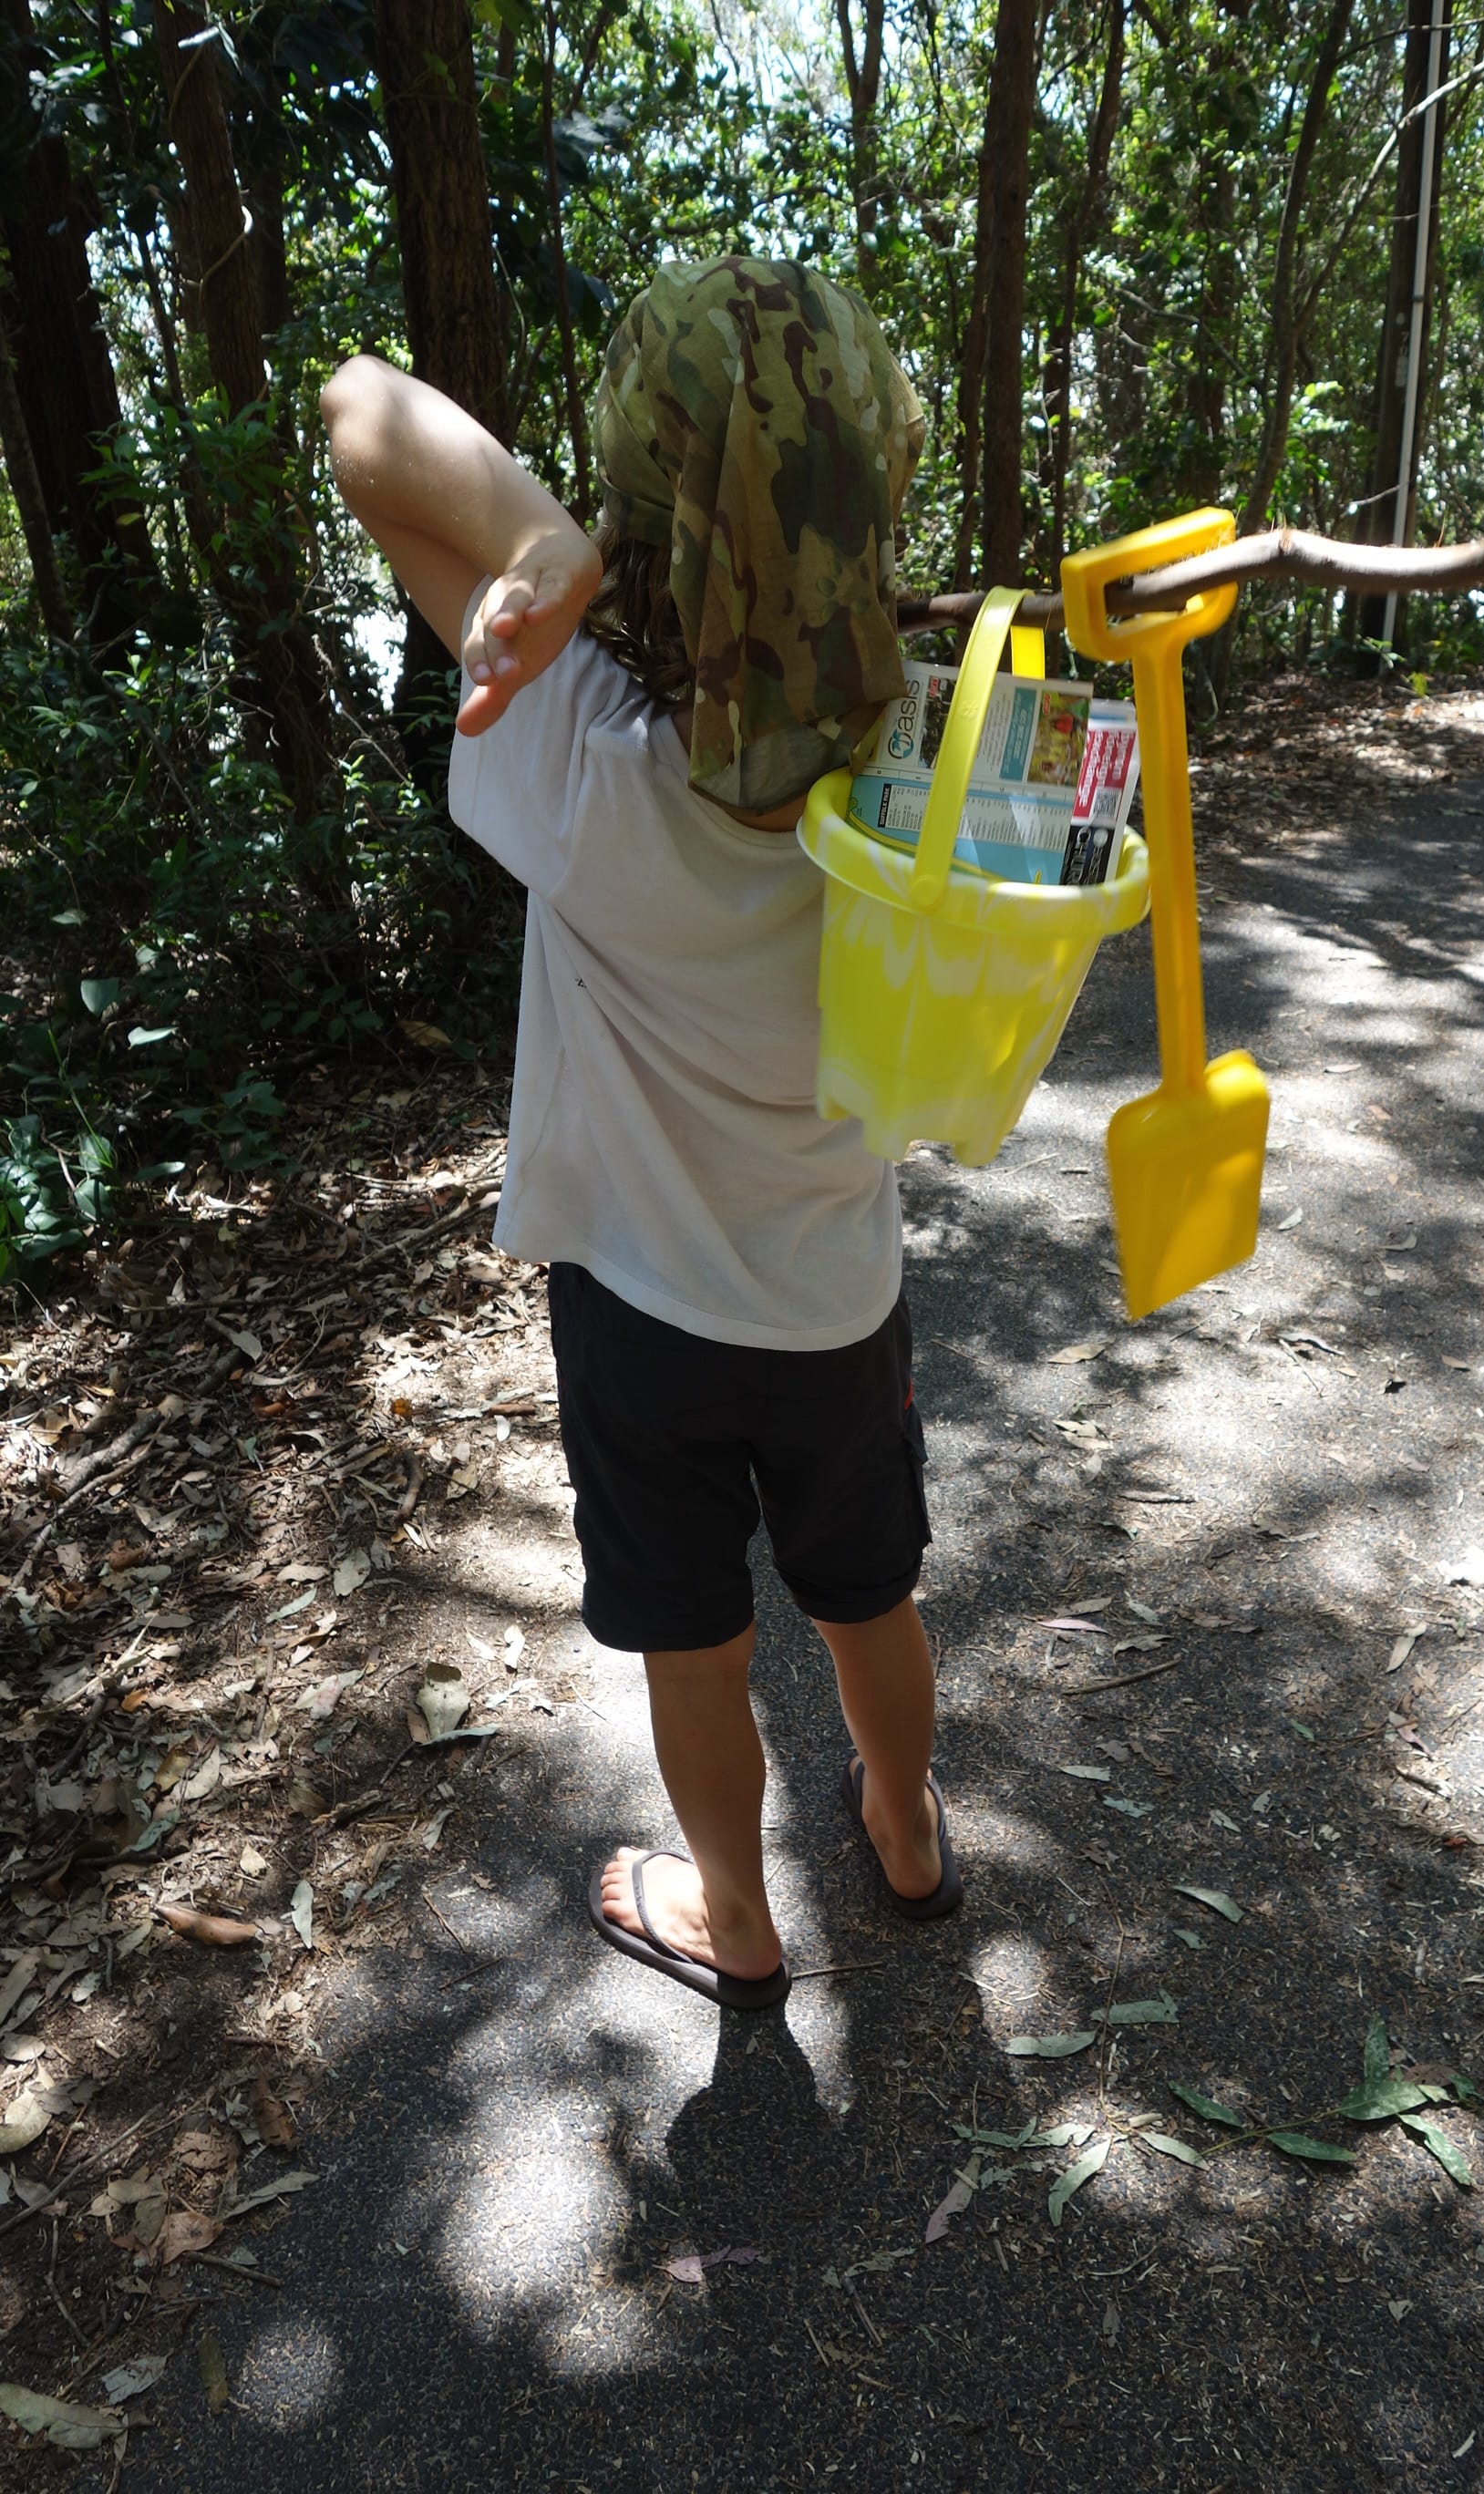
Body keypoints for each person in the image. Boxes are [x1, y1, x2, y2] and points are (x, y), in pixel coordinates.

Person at [323, 256, 962, 2012]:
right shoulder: (922, 751)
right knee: (868, 1595)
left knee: (695, 1639)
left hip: (641, 1317)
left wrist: (564, 546)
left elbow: (360, 413)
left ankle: (737, 1921)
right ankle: (907, 1832)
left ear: (644, 499)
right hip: (836, 1303)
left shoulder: (580, 745)